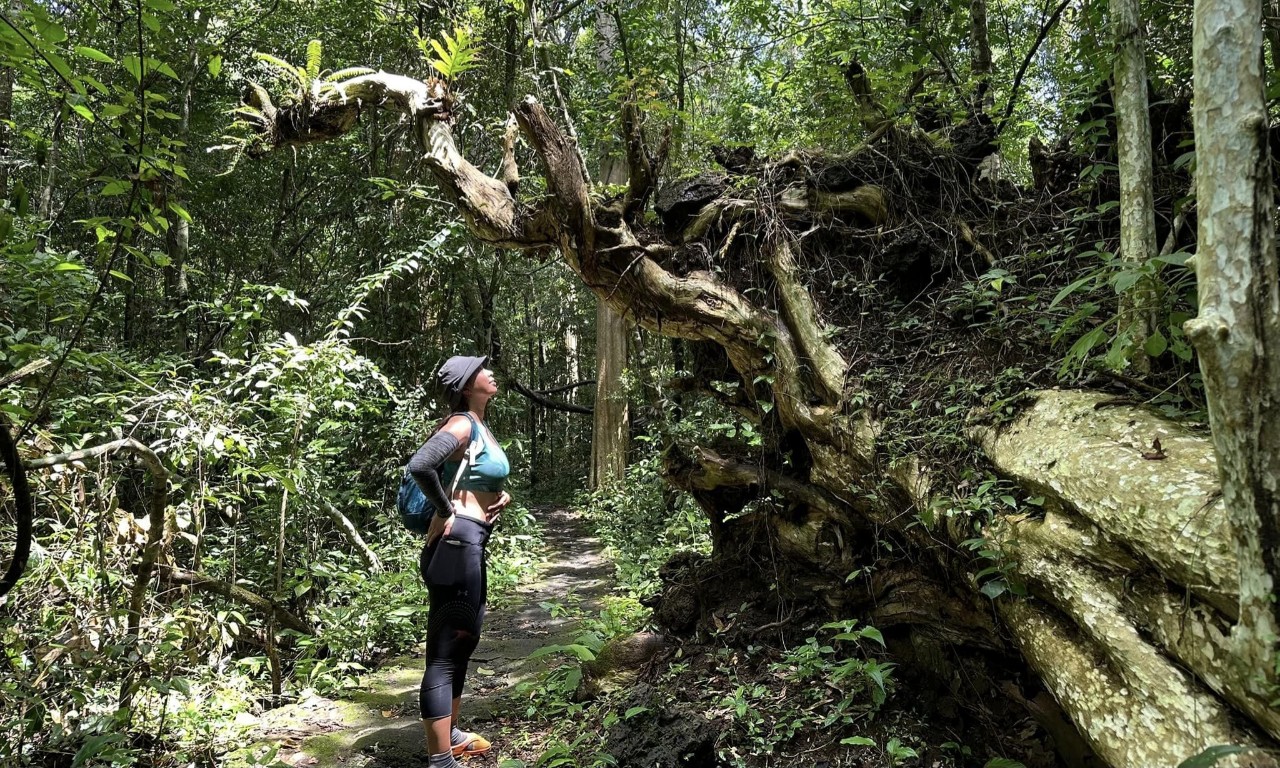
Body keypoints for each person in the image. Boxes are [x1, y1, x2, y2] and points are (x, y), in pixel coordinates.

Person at [407, 355, 511, 766]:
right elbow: (421, 465)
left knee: (462, 642)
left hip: (469, 542)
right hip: (456, 544)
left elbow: (473, 476)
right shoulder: (462, 423)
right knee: (446, 650)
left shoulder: (478, 426)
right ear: (468, 386)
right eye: (483, 370)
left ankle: (450, 734)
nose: (492, 373)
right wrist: (446, 511)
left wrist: (499, 494)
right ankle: (440, 760)